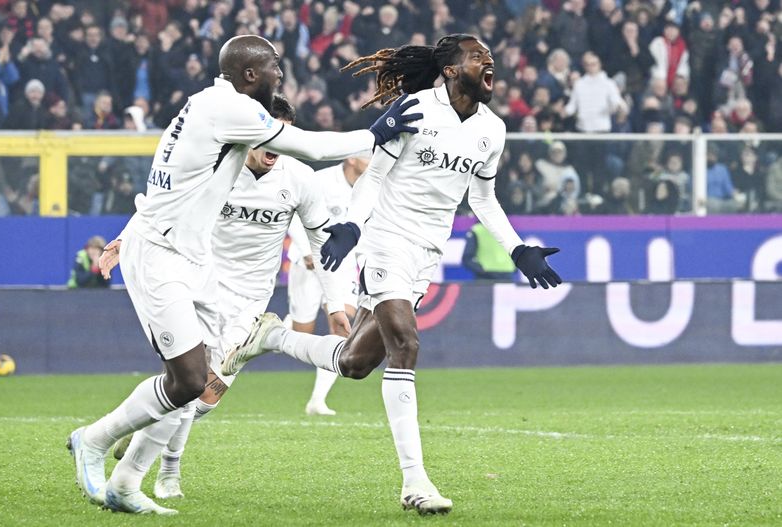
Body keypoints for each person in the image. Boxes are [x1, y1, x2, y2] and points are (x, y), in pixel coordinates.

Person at [67, 34, 422, 516]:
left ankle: (127, 481)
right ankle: (94, 441)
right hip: (164, 256)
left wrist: (334, 302)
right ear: (251, 74)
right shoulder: (229, 108)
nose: (280, 74)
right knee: (189, 381)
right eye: (275, 67)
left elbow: (168, 183)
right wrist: (377, 132)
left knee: (192, 390)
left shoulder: (213, 111)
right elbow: (311, 145)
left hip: (204, 271)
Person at [220, 34, 562, 515]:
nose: (490, 61)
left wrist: (518, 248)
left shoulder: (492, 129)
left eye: (491, 56)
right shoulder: (416, 109)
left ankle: (270, 337)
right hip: (387, 238)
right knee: (406, 342)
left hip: (427, 252)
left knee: (356, 363)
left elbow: (481, 198)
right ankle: (415, 482)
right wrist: (351, 228)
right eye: (478, 56)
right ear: (449, 69)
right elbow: (374, 177)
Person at [102, 95, 353, 500]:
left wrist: (335, 304)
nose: (275, 147)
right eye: (269, 137)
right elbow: (161, 205)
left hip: (251, 299)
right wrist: (122, 240)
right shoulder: (218, 165)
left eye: (284, 138)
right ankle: (168, 474)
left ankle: (137, 431)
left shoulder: (301, 179)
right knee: (189, 382)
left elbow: (321, 240)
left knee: (205, 398)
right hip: (201, 283)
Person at [286, 156, 369, 416]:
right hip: (309, 262)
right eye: (368, 153)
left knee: (342, 325)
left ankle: (317, 401)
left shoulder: (372, 185)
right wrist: (305, 249)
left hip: (343, 266)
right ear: (352, 158)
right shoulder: (320, 181)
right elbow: (291, 216)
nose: (374, 158)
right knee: (303, 331)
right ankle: (271, 330)